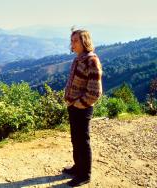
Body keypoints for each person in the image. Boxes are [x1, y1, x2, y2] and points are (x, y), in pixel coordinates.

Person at [63, 29, 102, 187]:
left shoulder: (91, 60)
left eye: (75, 41)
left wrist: (79, 104)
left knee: (83, 141)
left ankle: (85, 174)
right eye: (71, 41)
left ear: (85, 41)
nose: (72, 44)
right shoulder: (78, 59)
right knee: (75, 139)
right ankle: (77, 167)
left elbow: (95, 92)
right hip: (73, 106)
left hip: (82, 108)